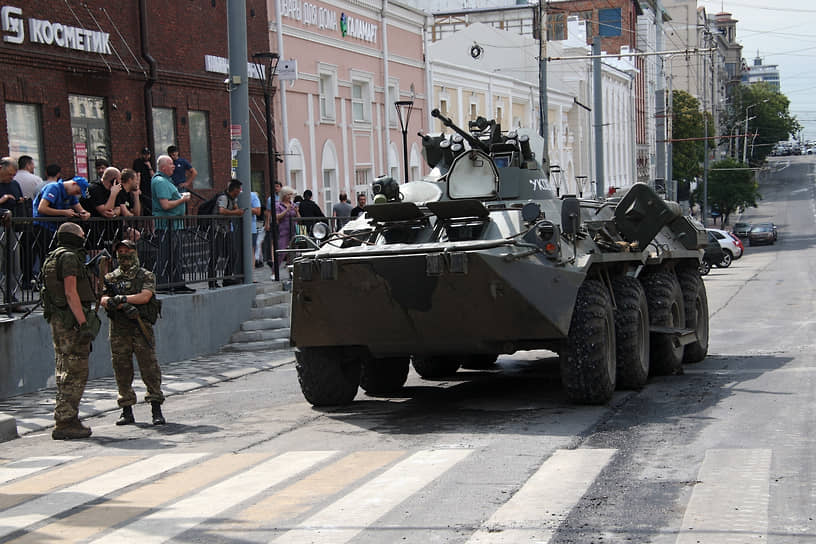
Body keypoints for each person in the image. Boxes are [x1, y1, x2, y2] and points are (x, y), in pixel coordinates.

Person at [41, 222, 101, 439]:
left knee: (64, 368)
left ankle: (68, 416)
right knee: (76, 371)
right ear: (74, 236)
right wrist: (83, 323)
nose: (84, 237)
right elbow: (70, 292)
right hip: (70, 322)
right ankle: (65, 421)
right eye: (82, 234)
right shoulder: (68, 257)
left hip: (60, 320)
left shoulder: (53, 256)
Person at [101, 239, 165, 426]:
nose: (124, 253)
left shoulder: (145, 275)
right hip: (119, 328)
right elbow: (102, 297)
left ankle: (156, 408)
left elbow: (146, 296)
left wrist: (123, 299)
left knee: (149, 368)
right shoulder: (112, 277)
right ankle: (126, 410)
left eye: (127, 250)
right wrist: (110, 302)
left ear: (135, 252)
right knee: (121, 368)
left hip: (140, 326)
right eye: (120, 250)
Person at [151, 154, 194, 293]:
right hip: (166, 226)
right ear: (163, 167)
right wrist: (182, 200)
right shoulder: (160, 181)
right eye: (171, 164)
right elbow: (165, 205)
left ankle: (177, 283)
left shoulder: (167, 181)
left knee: (176, 256)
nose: (174, 166)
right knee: (166, 255)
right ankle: (164, 284)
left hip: (175, 225)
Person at [210, 179, 243, 288]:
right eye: (239, 189)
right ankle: (212, 281)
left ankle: (227, 278)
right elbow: (222, 211)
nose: (240, 191)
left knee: (233, 254)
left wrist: (237, 210)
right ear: (235, 190)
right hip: (217, 230)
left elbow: (236, 209)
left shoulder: (232, 199)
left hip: (226, 230)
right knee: (215, 255)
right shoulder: (223, 198)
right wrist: (235, 212)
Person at [275, 186, 299, 272]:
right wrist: (286, 210)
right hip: (284, 229)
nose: (290, 196)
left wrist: (297, 211)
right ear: (284, 195)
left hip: (293, 230)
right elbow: (277, 216)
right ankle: (275, 271)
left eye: (291, 195)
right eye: (288, 194)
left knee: (293, 251)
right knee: (281, 251)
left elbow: (299, 218)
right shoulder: (278, 205)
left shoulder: (293, 204)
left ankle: (292, 271)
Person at [132, 147, 155, 214]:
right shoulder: (138, 162)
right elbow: (138, 175)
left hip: (149, 187)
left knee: (150, 205)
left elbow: (153, 176)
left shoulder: (150, 162)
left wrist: (149, 167)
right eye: (145, 154)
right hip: (141, 187)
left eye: (148, 154)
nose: (146, 156)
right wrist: (137, 187)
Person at [250, 190, 263, 267]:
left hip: (256, 224)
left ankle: (258, 260)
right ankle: (258, 259)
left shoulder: (253, 197)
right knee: (258, 243)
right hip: (258, 223)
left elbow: (259, 212)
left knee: (255, 245)